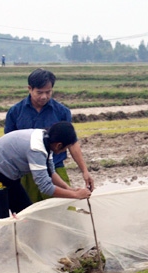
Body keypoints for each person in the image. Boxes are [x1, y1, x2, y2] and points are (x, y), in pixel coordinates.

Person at [5, 68, 94, 203]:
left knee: (66, 207)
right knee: (29, 211)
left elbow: (72, 143)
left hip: (55, 168)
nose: (44, 96)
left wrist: (85, 171)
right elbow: (10, 146)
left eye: (48, 92)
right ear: (30, 89)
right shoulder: (15, 112)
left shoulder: (62, 112)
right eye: (39, 92)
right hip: (26, 172)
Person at [0, 122, 92, 220]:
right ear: (59, 145)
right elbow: (45, 187)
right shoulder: (37, 148)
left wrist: (69, 189)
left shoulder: (48, 141)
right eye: (65, 149)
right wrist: (75, 195)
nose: (64, 151)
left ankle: (21, 245)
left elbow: (50, 172)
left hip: (12, 177)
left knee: (27, 215)